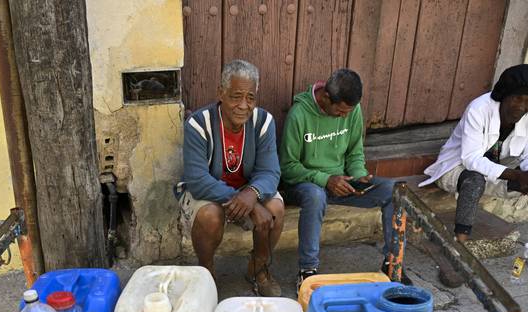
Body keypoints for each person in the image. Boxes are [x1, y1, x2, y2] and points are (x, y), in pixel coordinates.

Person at [279, 68, 410, 290]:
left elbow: (354, 153)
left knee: (395, 191)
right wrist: (325, 179)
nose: (345, 116)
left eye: (348, 112)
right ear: (326, 97)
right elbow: (288, 167)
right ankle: (307, 271)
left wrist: (359, 176)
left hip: (342, 182)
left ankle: (392, 264)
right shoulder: (299, 115)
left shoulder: (353, 110)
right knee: (315, 195)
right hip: (305, 185)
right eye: (340, 112)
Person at [176, 59, 284, 296]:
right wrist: (247, 202)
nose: (244, 105)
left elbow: (270, 172)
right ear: (221, 93)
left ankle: (258, 269)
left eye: (251, 98)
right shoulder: (198, 124)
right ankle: (206, 272)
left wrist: (252, 194)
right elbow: (197, 180)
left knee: (275, 208)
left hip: (247, 190)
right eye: (236, 96)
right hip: (209, 192)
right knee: (210, 216)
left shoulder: (263, 122)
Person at [420, 64, 528, 287]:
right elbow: (471, 159)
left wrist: (526, 174)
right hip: (456, 170)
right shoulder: (479, 108)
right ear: (504, 95)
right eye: (517, 98)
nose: (521, 106)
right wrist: (516, 176)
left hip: (498, 172)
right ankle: (457, 252)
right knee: (474, 180)